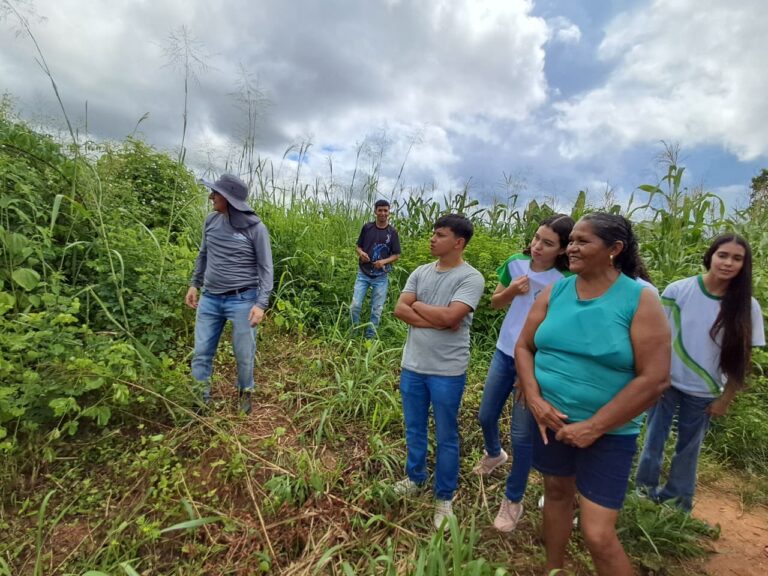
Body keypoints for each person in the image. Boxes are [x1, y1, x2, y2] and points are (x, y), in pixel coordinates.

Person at [516, 212, 670, 576]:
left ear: (614, 249)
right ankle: (553, 567)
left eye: (583, 241)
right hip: (550, 422)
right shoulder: (558, 291)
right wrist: (536, 401)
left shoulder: (640, 300)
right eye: (572, 241)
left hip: (609, 432)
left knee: (597, 533)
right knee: (555, 492)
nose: (572, 247)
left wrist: (594, 427)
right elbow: (524, 346)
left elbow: (655, 378)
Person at [636, 233, 765, 511]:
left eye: (737, 258)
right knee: (653, 439)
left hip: (704, 390)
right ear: (710, 256)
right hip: (665, 383)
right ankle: (642, 493)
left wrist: (726, 398)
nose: (728, 263)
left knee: (689, 449)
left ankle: (677, 502)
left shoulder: (747, 307)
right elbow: (655, 338)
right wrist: (650, 378)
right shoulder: (678, 290)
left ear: (744, 265)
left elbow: (743, 359)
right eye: (723, 255)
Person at [471, 214, 575, 534]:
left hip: (533, 363)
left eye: (547, 243)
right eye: (536, 238)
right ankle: (493, 454)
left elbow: (559, 332)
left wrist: (530, 374)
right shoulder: (516, 264)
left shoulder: (564, 282)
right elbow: (495, 302)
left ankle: (513, 500)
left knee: (522, 436)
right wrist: (512, 291)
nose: (537, 246)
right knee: (485, 415)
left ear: (561, 250)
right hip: (504, 353)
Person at [392, 214, 485, 530]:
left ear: (458, 242)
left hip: (447, 371)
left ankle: (444, 496)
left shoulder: (470, 278)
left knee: (446, 435)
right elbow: (400, 308)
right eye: (433, 233)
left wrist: (420, 308)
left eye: (440, 234)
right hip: (413, 366)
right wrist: (437, 316)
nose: (432, 239)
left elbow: (452, 317)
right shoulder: (420, 272)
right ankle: (415, 477)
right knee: (414, 427)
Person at [185, 173, 274, 415]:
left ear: (229, 199)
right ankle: (200, 403)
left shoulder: (256, 228)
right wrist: (195, 284)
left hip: (243, 300)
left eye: (216, 193)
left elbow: (266, 268)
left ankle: (245, 394)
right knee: (201, 352)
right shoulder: (210, 221)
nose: (211, 196)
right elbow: (203, 254)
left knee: (244, 355)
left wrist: (261, 304)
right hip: (210, 299)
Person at [350, 199, 401, 338]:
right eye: (380, 210)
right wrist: (361, 253)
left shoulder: (393, 232)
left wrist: (383, 261)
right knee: (355, 305)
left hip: (381, 277)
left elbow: (396, 255)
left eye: (386, 210)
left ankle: (370, 338)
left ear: (389, 212)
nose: (383, 213)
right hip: (363, 274)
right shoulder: (367, 228)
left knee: (377, 310)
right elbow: (358, 246)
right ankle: (354, 332)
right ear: (375, 212)